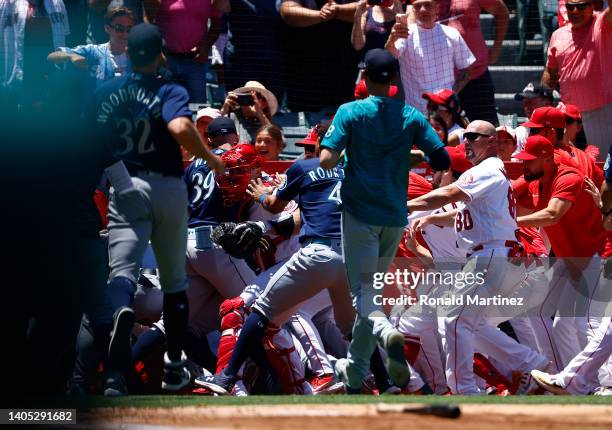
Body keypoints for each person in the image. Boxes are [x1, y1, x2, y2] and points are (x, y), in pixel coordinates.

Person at [91, 23, 224, 395]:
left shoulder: (105, 91)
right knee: (174, 282)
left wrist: (118, 181)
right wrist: (209, 157)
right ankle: (175, 366)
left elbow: (93, 144)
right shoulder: (170, 88)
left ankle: (116, 371)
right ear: (160, 54)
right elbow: (181, 125)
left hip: (126, 184)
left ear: (128, 54)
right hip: (167, 186)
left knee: (121, 275)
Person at [318, 48, 450, 393]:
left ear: (365, 77)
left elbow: (327, 159)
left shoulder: (350, 111)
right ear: (394, 79)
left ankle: (387, 333)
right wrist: (407, 154)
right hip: (394, 217)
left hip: (361, 214)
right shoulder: (411, 115)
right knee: (372, 293)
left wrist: (342, 152)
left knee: (363, 295)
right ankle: (356, 369)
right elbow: (441, 158)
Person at [407, 120, 541, 394]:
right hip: (489, 254)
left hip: (490, 253)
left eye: (473, 137)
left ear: (491, 141)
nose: (466, 141)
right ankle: (533, 366)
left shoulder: (487, 169)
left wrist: (405, 204)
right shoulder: (488, 173)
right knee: (471, 323)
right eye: (465, 137)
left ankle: (465, 389)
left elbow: (448, 193)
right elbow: (462, 213)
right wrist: (434, 218)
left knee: (454, 318)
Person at [514, 135, 609, 370]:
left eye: (530, 160)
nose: (524, 164)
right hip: (572, 261)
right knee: (543, 314)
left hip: (597, 256)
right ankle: (568, 377)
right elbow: (513, 202)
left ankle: (601, 382)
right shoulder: (535, 181)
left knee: (584, 321)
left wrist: (511, 223)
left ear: (546, 159)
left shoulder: (568, 177)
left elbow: (552, 214)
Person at [542, 2, 611, 160]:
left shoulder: (601, 24)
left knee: (602, 164)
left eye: (581, 6)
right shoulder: (557, 35)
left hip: (599, 112)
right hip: (568, 116)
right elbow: (550, 72)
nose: (575, 11)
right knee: (570, 162)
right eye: (570, 6)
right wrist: (542, 96)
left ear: (592, 6)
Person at [385, 0, 475, 114]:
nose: (423, 9)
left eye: (427, 5)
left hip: (446, 111)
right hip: (415, 112)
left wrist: (451, 94)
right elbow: (388, 57)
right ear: (413, 10)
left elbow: (466, 69)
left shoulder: (452, 34)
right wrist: (392, 39)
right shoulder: (405, 35)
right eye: (417, 6)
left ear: (437, 8)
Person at [436, 0, 510, 125]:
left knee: (486, 130)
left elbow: (502, 12)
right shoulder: (424, 4)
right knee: (439, 132)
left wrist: (496, 49)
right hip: (438, 78)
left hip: (476, 75)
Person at [279, 0, 360, 111]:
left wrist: (337, 10)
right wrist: (320, 15)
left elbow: (366, 7)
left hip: (345, 68)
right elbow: (287, 10)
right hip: (305, 69)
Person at [48, 7, 135, 99]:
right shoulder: (93, 52)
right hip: (97, 111)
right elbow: (51, 57)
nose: (125, 34)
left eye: (129, 29)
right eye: (119, 28)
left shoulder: (138, 55)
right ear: (107, 28)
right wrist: (71, 56)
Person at [146, 0, 222, 102]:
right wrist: (158, 51)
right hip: (167, 62)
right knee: (165, 107)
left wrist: (206, 46)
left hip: (196, 62)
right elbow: (149, 22)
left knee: (198, 109)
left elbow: (216, 24)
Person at [513, 81, 555, 152]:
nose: (527, 107)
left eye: (530, 102)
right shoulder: (519, 133)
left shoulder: (561, 131)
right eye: (525, 103)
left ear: (547, 103)